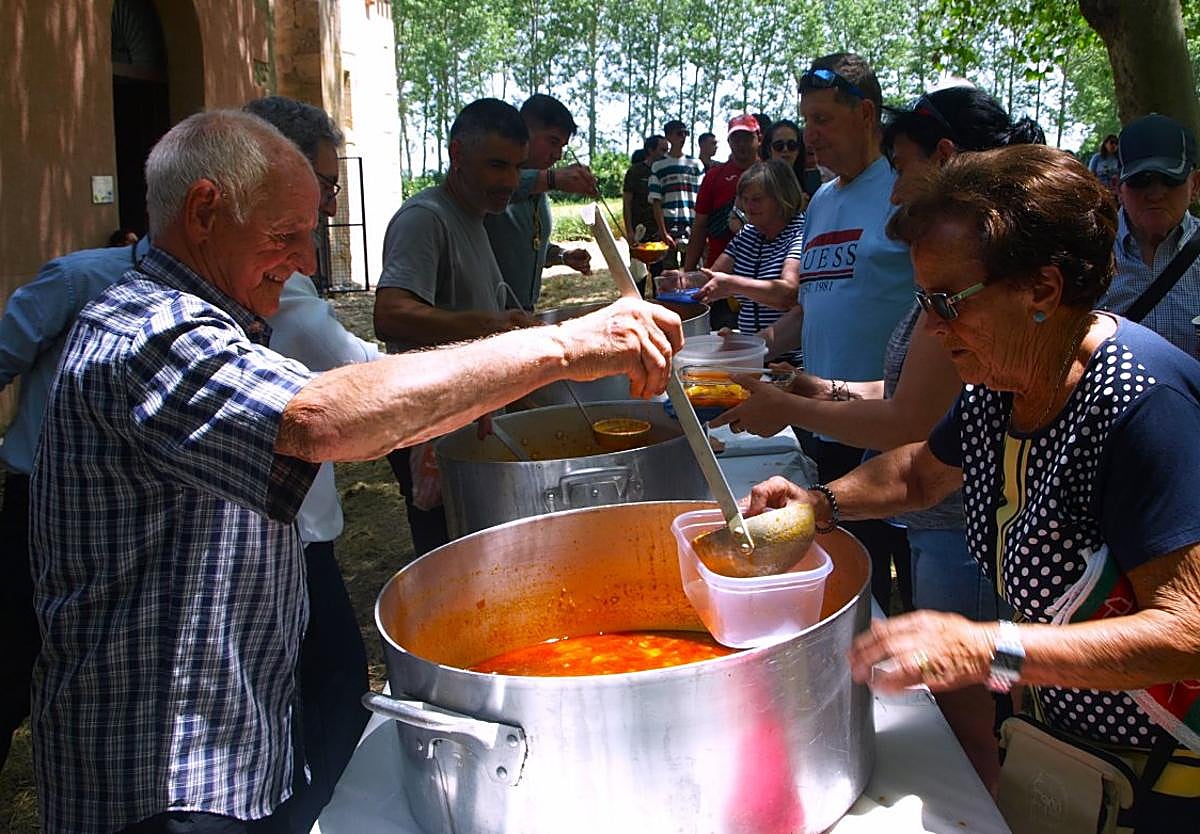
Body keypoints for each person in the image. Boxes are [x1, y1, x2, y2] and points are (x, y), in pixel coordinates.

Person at [30, 108, 683, 834]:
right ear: (205, 211)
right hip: (160, 783)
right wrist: (561, 347)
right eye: (287, 233)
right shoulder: (149, 333)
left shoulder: (213, 322)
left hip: (230, 752)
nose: (308, 261)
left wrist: (450, 405)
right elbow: (321, 419)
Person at [747, 144, 1200, 831]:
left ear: (1042, 290)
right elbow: (920, 472)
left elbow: (1187, 630)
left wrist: (989, 649)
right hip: (1068, 749)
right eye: (922, 300)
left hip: (1165, 777)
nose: (932, 326)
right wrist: (820, 505)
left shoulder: (1143, 404)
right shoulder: (1001, 378)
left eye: (946, 302)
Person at [713, 84, 1045, 791]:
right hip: (940, 523)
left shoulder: (978, 294)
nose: (893, 189)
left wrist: (790, 410)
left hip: (966, 536)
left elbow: (911, 427)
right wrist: (819, 390)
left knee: (975, 724)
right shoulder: (953, 293)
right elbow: (915, 418)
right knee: (958, 714)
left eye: (902, 167)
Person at [243, 94, 372, 831]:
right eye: (321, 188)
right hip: (283, 540)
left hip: (299, 529)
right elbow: (355, 380)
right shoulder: (255, 293)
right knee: (331, 692)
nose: (327, 211)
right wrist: (547, 351)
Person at [760, 52, 917, 613]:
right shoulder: (822, 201)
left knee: (915, 576)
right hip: (826, 419)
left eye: (823, 119)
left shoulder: (902, 189)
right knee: (851, 571)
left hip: (895, 423)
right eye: (807, 120)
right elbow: (811, 305)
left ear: (866, 114)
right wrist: (751, 349)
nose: (810, 136)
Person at [0, 234, 151, 773]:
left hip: (133, 517)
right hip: (43, 508)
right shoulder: (76, 281)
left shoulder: (222, 300)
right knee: (13, 659)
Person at [374, 98, 539, 555]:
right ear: (457, 154)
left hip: (472, 420)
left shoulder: (474, 218)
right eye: (497, 165)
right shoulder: (425, 218)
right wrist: (492, 326)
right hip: (432, 428)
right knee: (448, 555)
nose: (510, 181)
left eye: (517, 167)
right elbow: (390, 313)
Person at [484, 94, 598, 311]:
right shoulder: (493, 180)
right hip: (483, 317)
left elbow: (531, 247)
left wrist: (562, 256)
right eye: (553, 142)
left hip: (523, 314)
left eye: (562, 146)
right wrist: (553, 179)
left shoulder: (539, 191)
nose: (558, 155)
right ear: (523, 132)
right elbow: (498, 187)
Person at [682, 160, 804, 364]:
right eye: (744, 199)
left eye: (757, 199)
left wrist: (733, 285)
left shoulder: (800, 233)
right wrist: (681, 281)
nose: (748, 207)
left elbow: (788, 294)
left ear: (781, 198)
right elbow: (711, 277)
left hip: (788, 363)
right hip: (749, 358)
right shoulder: (748, 233)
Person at [1099, 114, 1200, 358]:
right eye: (1140, 180)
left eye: (1170, 179)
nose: (1155, 194)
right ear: (1117, 187)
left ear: (1195, 185)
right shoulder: (1087, 256)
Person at [684, 114, 762, 329]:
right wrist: (688, 273)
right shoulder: (715, 176)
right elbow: (700, 226)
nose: (741, 144)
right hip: (719, 275)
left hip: (761, 277)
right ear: (729, 141)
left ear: (759, 138)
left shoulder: (772, 174)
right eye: (736, 138)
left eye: (747, 137)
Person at [648, 119, 705, 269]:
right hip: (669, 226)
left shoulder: (696, 164)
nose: (683, 137)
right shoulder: (659, 166)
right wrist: (663, 232)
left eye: (686, 133)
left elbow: (704, 198)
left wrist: (702, 228)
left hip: (692, 225)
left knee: (693, 271)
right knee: (669, 272)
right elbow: (656, 202)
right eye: (679, 133)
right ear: (668, 137)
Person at [624, 134, 669, 296]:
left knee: (661, 278)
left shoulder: (665, 171)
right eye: (662, 150)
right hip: (640, 232)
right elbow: (627, 203)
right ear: (650, 150)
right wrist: (629, 231)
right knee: (638, 277)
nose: (665, 154)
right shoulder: (635, 171)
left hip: (660, 232)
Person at [1088, 132, 1120, 198]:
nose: (1114, 145)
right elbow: (1091, 174)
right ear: (1105, 144)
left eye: (1116, 143)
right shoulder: (1097, 157)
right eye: (1111, 142)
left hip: (1115, 192)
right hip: (1099, 190)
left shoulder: (1118, 159)